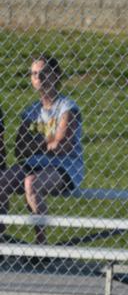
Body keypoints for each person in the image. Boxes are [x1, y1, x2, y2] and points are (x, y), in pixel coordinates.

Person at [0, 55, 84, 244]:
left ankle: (41, 244)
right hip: (35, 163)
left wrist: (37, 143)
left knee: (31, 183)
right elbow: (20, 149)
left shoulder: (67, 107)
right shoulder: (31, 111)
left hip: (66, 166)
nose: (38, 77)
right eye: (34, 73)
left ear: (56, 76)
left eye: (44, 73)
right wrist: (48, 142)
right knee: (2, 180)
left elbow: (63, 146)